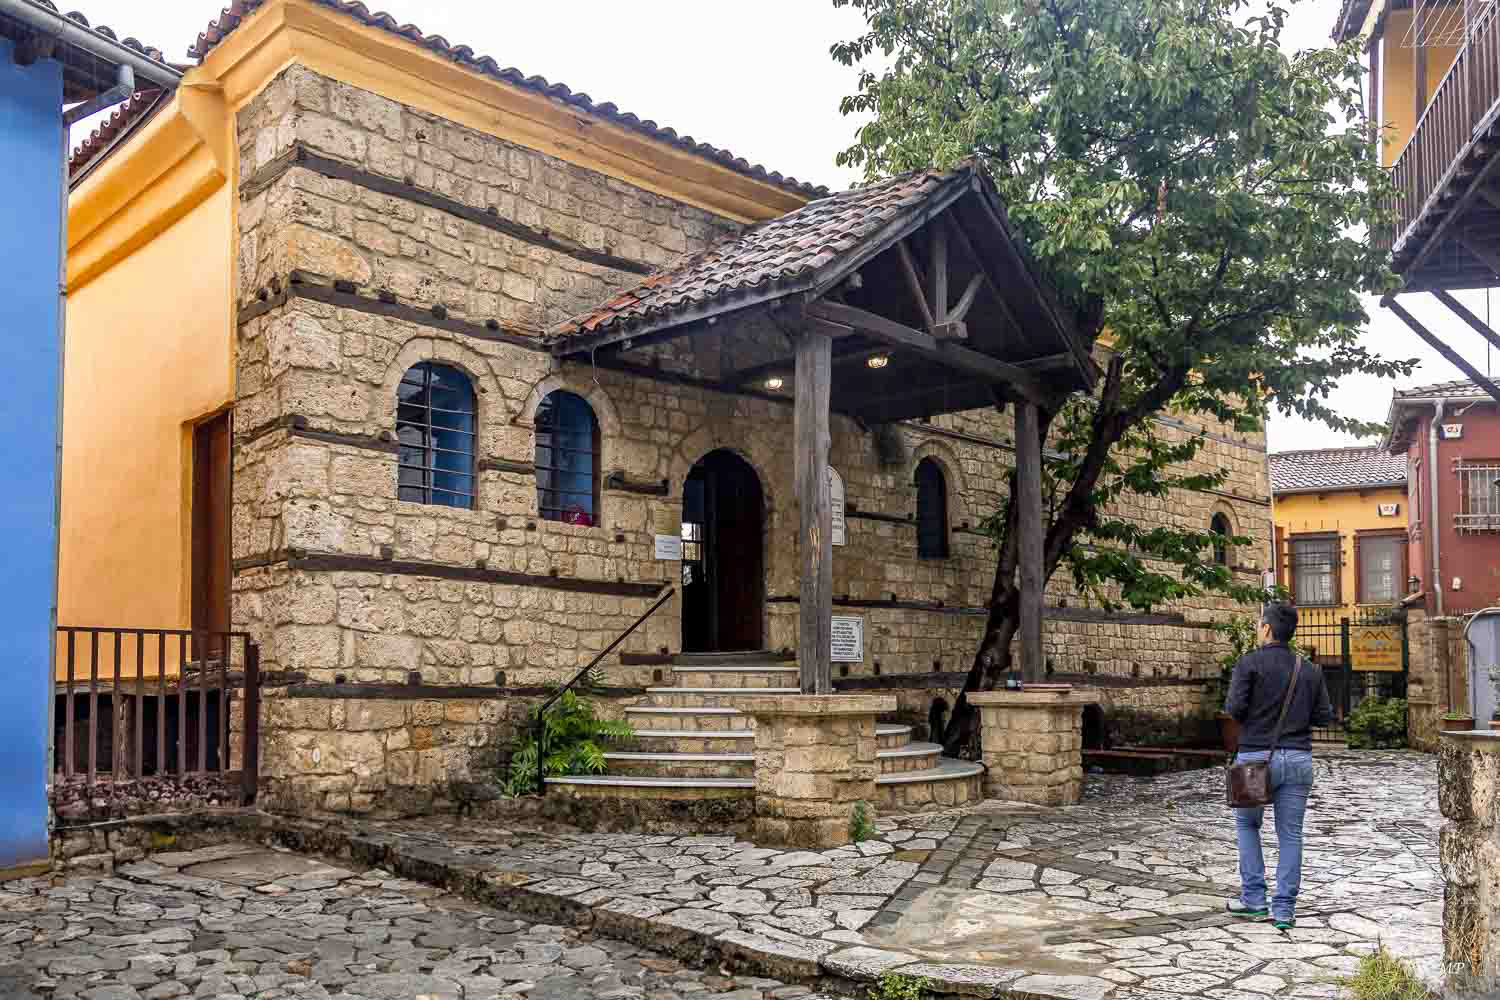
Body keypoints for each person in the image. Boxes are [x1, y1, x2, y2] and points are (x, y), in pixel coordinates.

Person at [1223, 601, 1334, 930]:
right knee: (1290, 834)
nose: (1258, 629)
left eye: (1259, 624)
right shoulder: (1309, 669)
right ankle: (1284, 910)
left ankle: (1254, 900)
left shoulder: (1249, 663)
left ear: (1267, 628)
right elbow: (1324, 716)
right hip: (1298, 758)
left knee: (1248, 826)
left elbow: (1234, 709)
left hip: (1255, 757)